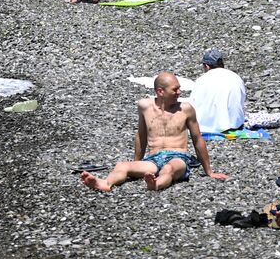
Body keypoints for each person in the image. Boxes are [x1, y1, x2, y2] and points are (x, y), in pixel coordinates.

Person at [82, 72, 228, 193]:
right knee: (122, 165)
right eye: (175, 89)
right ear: (160, 91)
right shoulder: (145, 106)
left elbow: (197, 139)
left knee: (169, 169)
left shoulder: (186, 109)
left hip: (179, 157)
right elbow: (141, 135)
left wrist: (209, 171)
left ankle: (156, 184)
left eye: (179, 88)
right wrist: (136, 162)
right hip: (153, 159)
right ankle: (106, 183)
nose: (179, 92)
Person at [189, 47, 246, 134]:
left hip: (206, 127)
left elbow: (194, 105)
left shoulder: (202, 80)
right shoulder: (235, 77)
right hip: (235, 124)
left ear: (207, 66)